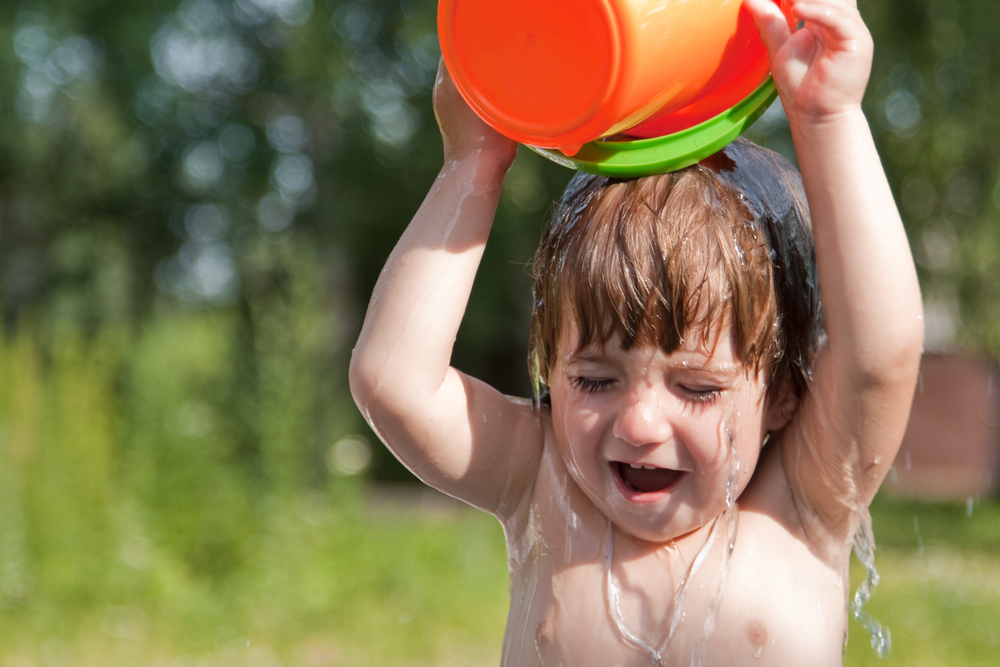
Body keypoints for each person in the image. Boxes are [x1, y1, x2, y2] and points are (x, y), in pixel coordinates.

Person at [349, 0, 924, 664]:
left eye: (698, 386)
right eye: (594, 378)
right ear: (549, 368)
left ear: (786, 390)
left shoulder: (805, 505)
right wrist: (472, 166)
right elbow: (393, 382)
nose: (642, 422)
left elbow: (880, 357)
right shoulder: (543, 484)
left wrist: (827, 119)